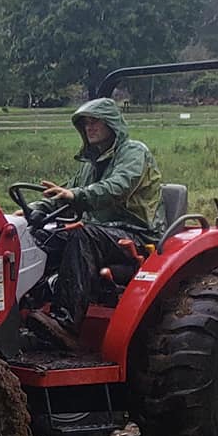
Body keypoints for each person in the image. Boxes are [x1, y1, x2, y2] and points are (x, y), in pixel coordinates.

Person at [31, 97, 162, 332]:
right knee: (41, 237)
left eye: (96, 122)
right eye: (86, 123)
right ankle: (28, 310)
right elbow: (66, 192)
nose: (89, 127)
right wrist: (37, 209)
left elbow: (118, 186)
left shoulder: (133, 152)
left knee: (84, 235)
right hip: (103, 233)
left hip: (135, 233)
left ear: (112, 124)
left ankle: (65, 323)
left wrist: (75, 196)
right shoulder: (91, 163)